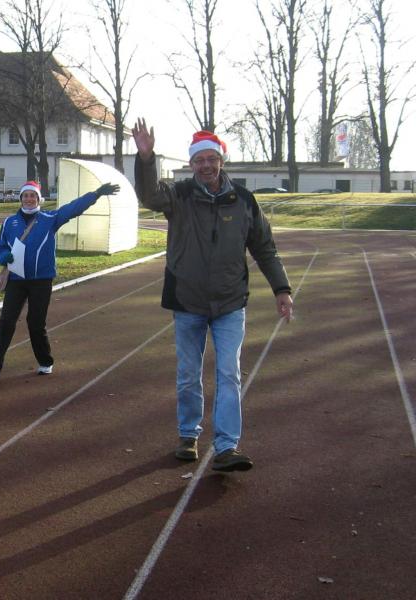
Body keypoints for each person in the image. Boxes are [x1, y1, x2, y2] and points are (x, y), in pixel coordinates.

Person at [131, 119, 293, 472]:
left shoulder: (244, 201)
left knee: (230, 374)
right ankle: (188, 435)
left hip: (230, 303)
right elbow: (150, 196)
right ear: (191, 164)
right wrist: (146, 158)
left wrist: (281, 289)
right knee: (189, 374)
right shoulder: (179, 196)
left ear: (221, 161)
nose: (206, 165)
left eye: (211, 159)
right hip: (187, 301)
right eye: (199, 160)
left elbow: (265, 248)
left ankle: (226, 446)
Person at [0, 179, 120, 381]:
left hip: (41, 280)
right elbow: (0, 248)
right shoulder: (9, 222)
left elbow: (73, 208)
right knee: (6, 320)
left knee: (35, 323)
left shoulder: (50, 218)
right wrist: (3, 257)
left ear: (38, 199)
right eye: (25, 196)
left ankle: (45, 361)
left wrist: (96, 194)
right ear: (21, 198)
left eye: (32, 196)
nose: (29, 199)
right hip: (16, 279)